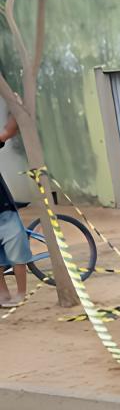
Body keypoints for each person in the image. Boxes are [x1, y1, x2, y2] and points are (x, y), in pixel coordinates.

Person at [0, 114, 32, 308]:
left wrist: (15, 107)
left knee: (17, 253)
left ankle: (21, 293)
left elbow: (9, 131)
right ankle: (3, 294)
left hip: (4, 211)